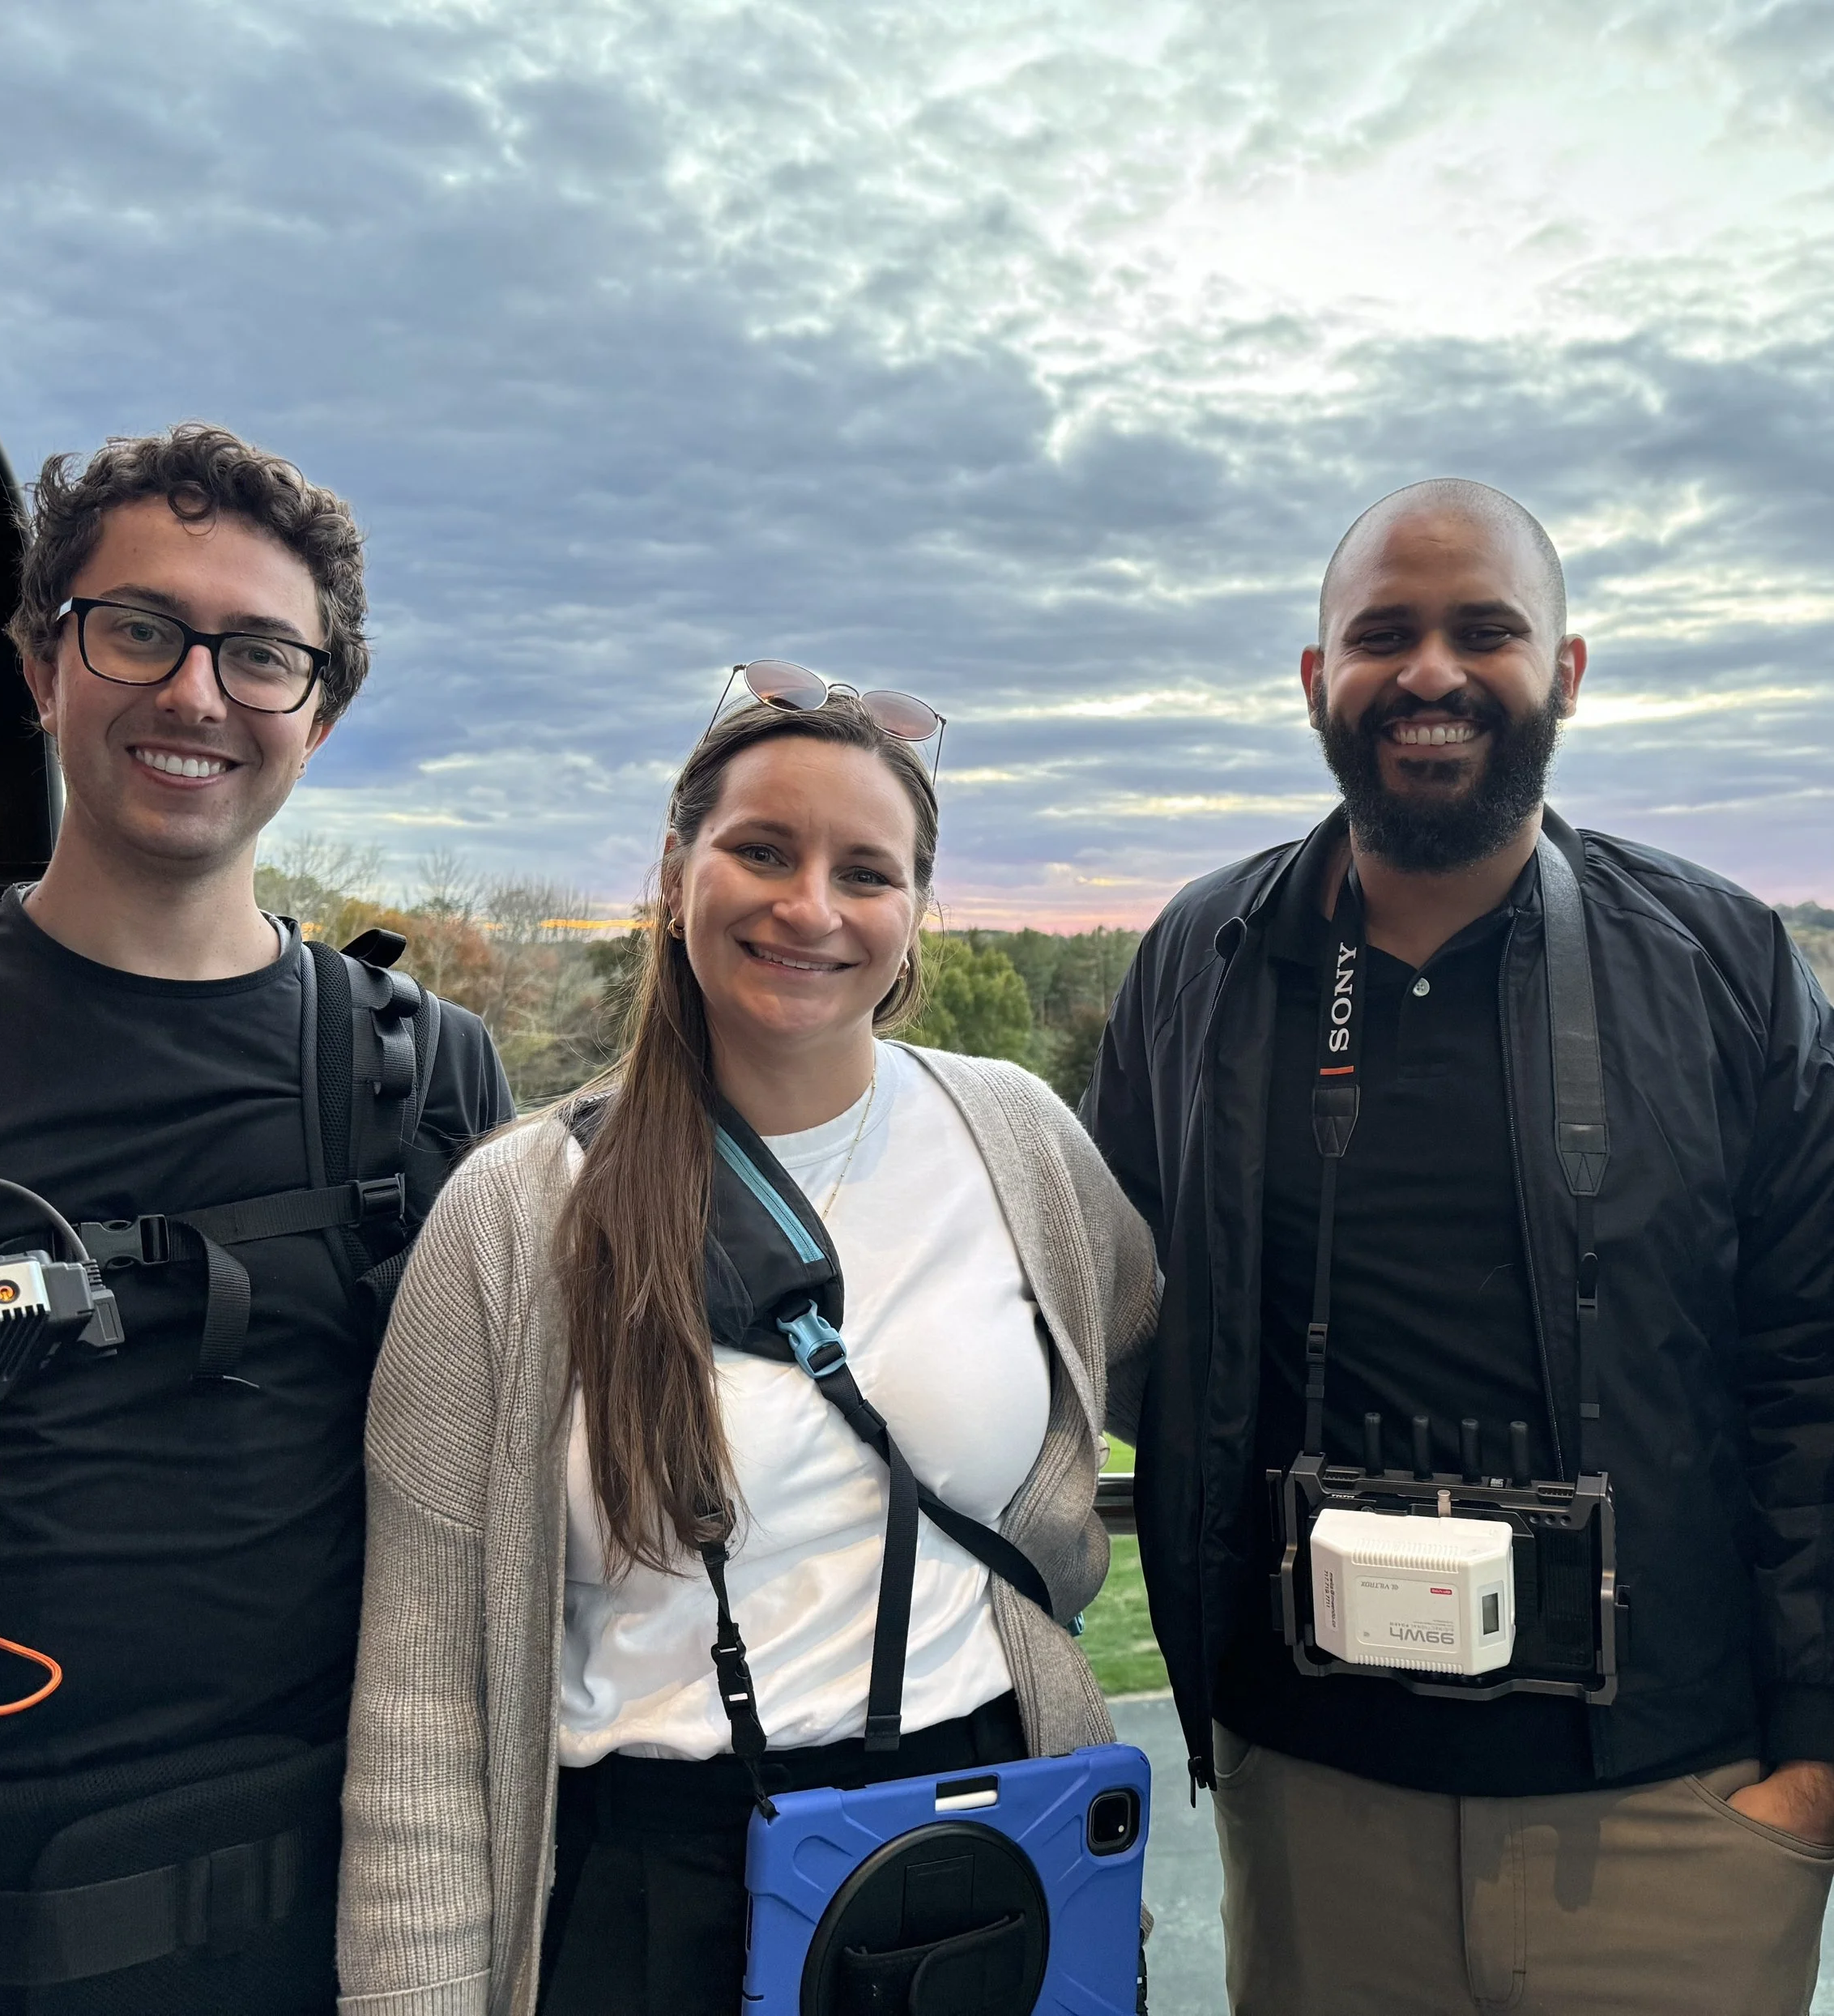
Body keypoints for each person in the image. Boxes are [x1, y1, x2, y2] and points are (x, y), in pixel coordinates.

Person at [1085, 477, 1834, 2015]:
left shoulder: (1726, 965)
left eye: (1485, 631)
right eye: (1384, 636)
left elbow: (1815, 1368)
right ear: (1318, 679)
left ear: (1566, 671)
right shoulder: (1206, 966)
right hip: (1314, 1804)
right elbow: (1117, 1321)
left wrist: (1811, 1768)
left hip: (1674, 1811)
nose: (1430, 672)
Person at [0, 424, 511, 2016]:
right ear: (40, 664)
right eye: (138, 629)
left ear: (318, 713)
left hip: (296, 1931)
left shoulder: (419, 1078)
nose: (195, 693)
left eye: (259, 654)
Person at [338, 686, 1158, 2015]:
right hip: (659, 1892)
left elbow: (1177, 1382)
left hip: (988, 1845)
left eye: (867, 873)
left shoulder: (1018, 1141)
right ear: (675, 876)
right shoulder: (519, 1212)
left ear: (916, 915)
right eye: (763, 850)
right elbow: (423, 1696)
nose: (810, 907)